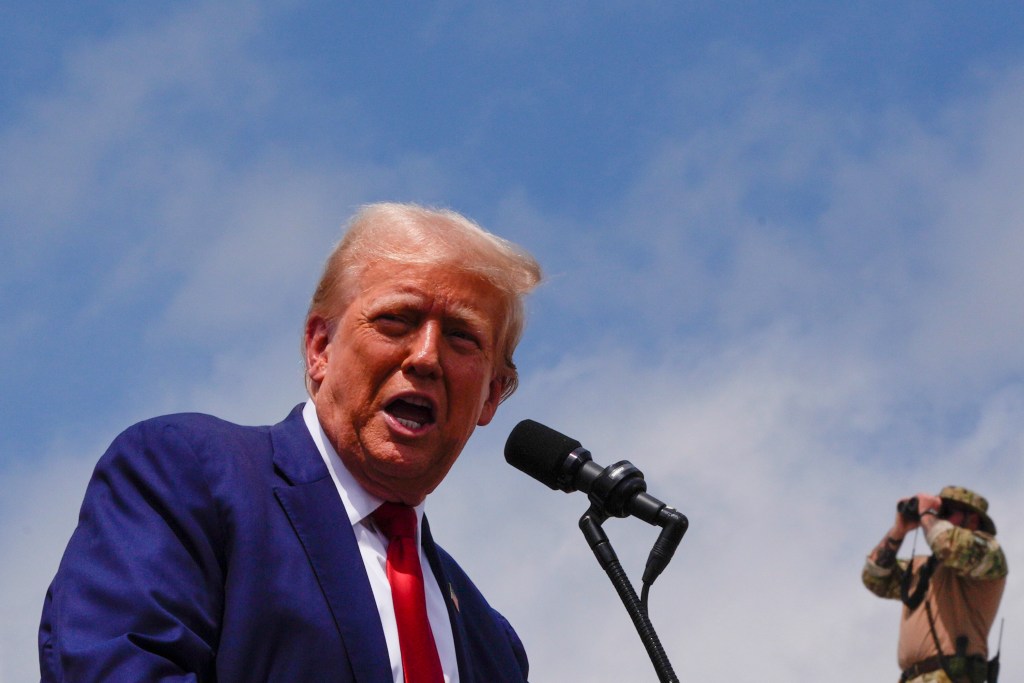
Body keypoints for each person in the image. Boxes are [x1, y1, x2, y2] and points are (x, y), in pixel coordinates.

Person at [39, 202, 542, 682]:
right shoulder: (188, 475)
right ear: (320, 348)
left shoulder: (491, 643)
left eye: (462, 338)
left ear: (492, 396)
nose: (426, 357)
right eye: (396, 320)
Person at [862, 486, 1008, 683]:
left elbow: (948, 545)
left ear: (973, 520)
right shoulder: (923, 568)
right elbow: (874, 578)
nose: (940, 518)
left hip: (951, 675)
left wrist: (927, 512)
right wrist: (898, 531)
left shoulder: (988, 554)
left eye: (947, 512)